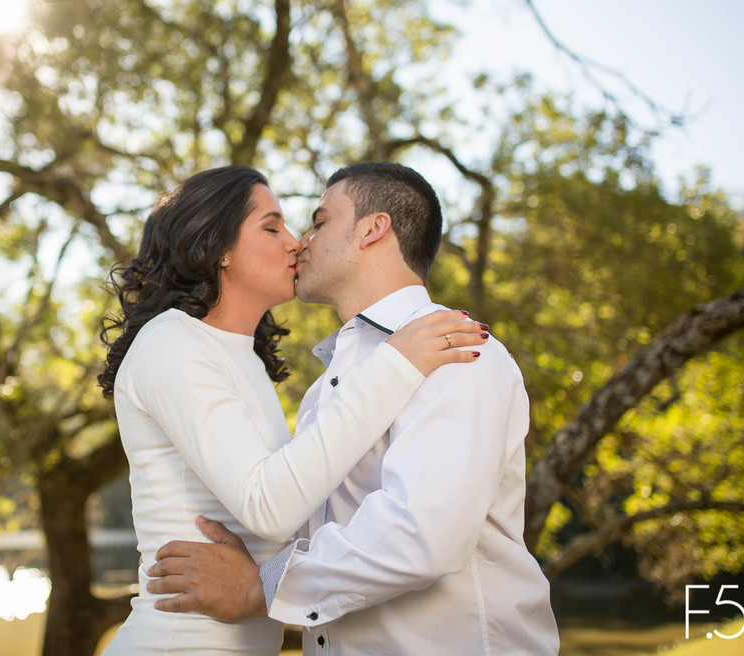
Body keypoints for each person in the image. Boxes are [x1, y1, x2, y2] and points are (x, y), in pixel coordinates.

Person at [145, 162, 561, 655]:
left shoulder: (456, 347)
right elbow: (310, 521)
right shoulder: (325, 390)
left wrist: (262, 588)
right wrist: (257, 561)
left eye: (319, 222)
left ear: (372, 229)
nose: (301, 242)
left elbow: (420, 535)